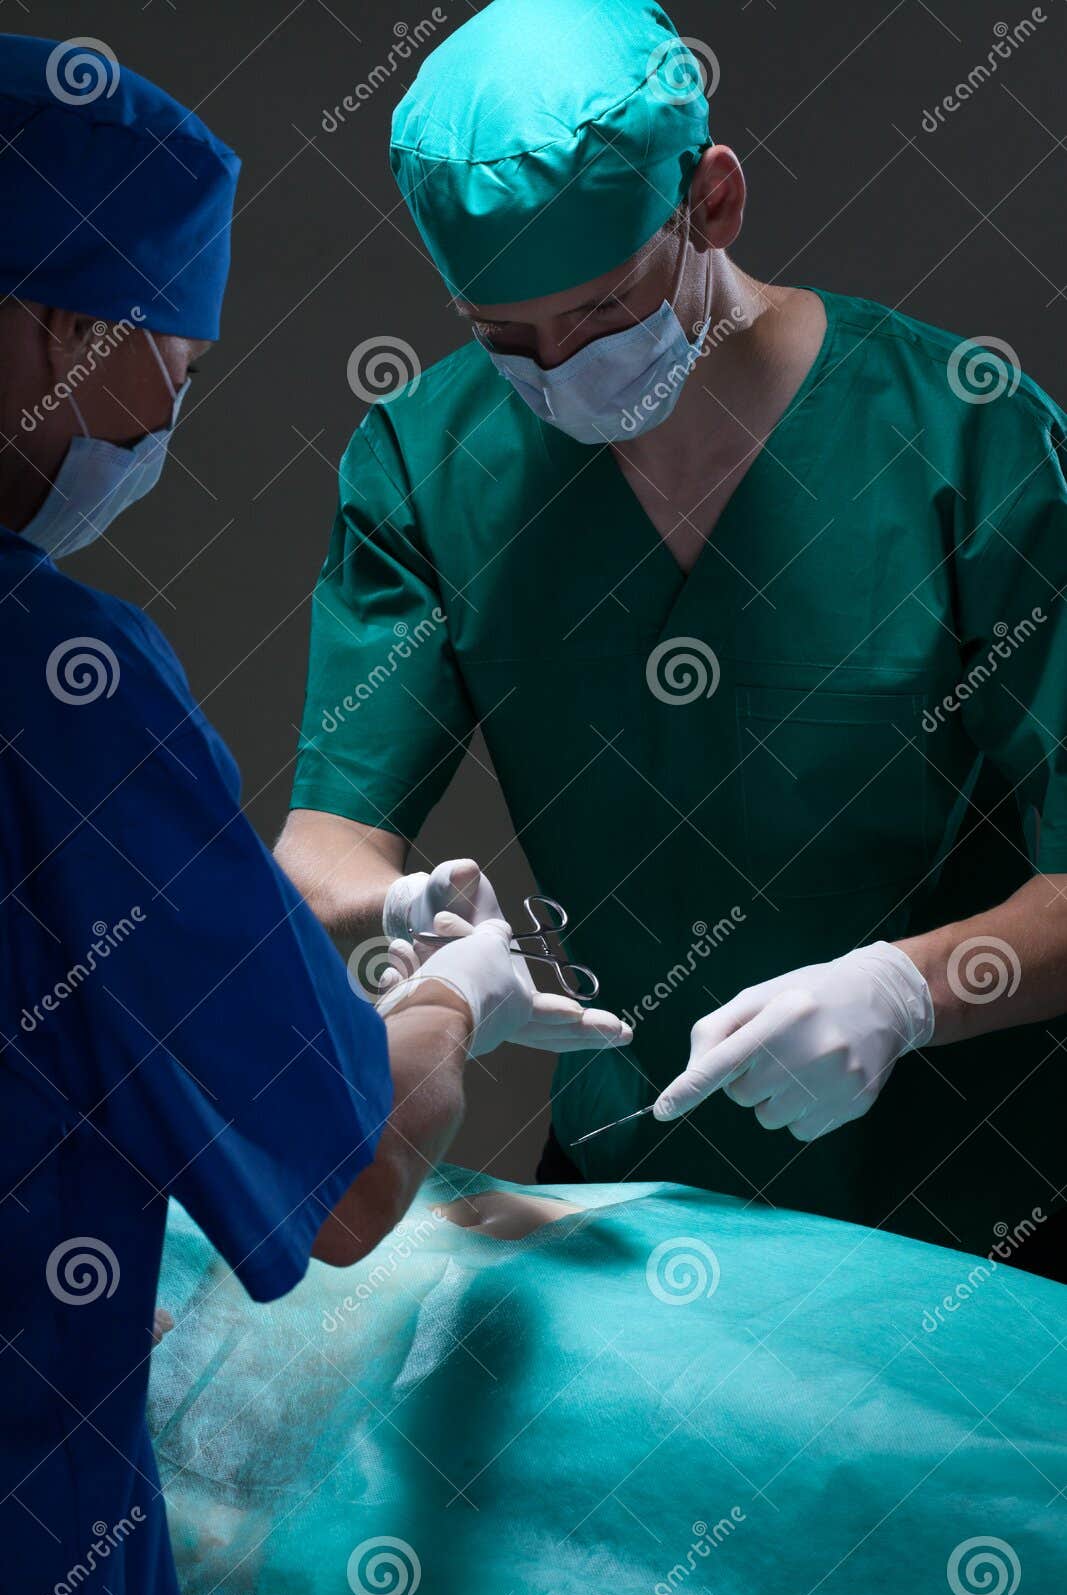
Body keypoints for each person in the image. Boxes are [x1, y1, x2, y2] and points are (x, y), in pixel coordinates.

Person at [276, 0, 1067, 1266]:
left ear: (709, 202)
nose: (554, 373)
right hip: (635, 1194)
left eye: (597, 313)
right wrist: (412, 908)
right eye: (502, 341)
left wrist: (909, 989)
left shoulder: (961, 437)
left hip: (974, 1207)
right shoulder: (426, 464)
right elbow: (325, 843)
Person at [0, 33, 627, 1595]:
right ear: (59, 326)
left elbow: (83, 939)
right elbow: (346, 1179)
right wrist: (447, 1003)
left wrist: (324, 912)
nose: (167, 416)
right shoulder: (62, 691)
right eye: (175, 363)